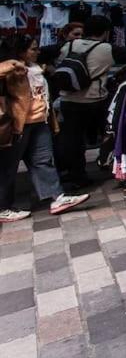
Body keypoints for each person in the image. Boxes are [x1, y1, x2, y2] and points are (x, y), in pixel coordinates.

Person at [0, 36, 90, 222]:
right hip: (18, 124)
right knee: (8, 167)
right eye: (33, 49)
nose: (37, 51)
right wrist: (12, 64)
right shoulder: (12, 70)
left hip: (40, 122)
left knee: (43, 161)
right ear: (21, 51)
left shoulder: (36, 69)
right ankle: (3, 207)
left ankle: (57, 198)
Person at [56, 15, 115, 189]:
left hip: (68, 99)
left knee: (73, 140)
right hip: (94, 100)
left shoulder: (69, 45)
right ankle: (107, 161)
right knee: (108, 131)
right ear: (105, 32)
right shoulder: (106, 48)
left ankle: (77, 175)